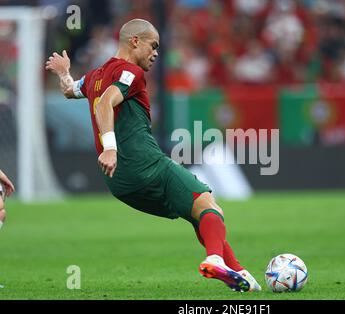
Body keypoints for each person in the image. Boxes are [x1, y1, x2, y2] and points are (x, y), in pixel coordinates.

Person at [45, 19, 261, 292]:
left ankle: (241, 276)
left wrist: (64, 72)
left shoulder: (94, 76)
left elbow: (69, 89)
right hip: (144, 164)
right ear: (134, 41)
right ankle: (216, 259)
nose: (156, 53)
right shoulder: (130, 73)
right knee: (207, 203)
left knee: (196, 213)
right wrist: (110, 147)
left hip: (119, 182)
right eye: (153, 45)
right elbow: (105, 104)